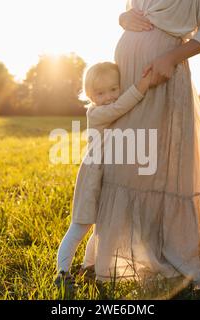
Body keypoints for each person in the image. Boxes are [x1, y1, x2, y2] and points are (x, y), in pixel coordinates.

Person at [88, 0, 200, 289]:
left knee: (161, 165)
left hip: (164, 77)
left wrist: (171, 57)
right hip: (127, 78)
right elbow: (133, 11)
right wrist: (124, 18)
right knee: (126, 164)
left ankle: (169, 254)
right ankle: (121, 255)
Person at [54, 62, 152, 290]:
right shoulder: (97, 113)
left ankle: (88, 267)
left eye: (113, 89)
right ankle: (62, 273)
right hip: (92, 177)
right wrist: (141, 86)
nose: (108, 97)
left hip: (108, 178)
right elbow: (118, 109)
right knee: (80, 226)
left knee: (102, 227)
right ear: (90, 95)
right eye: (100, 93)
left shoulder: (110, 108)